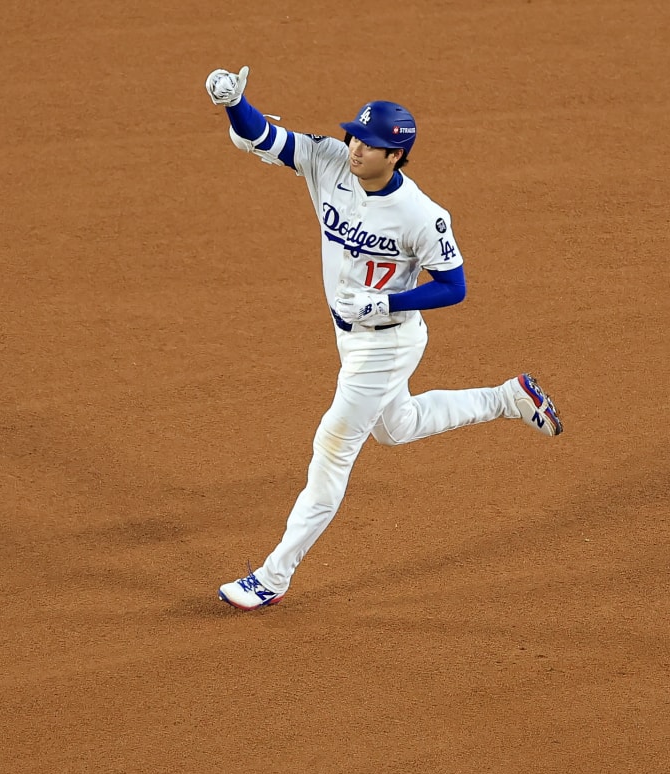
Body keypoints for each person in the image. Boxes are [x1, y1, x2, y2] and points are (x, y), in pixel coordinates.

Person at [203, 66, 564, 611]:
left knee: (332, 449)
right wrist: (235, 102)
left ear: (396, 156)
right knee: (397, 428)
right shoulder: (328, 162)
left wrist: (389, 301)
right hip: (349, 337)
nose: (355, 149)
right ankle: (507, 397)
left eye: (369, 145)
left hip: (387, 343)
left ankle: (274, 576)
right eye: (355, 136)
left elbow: (454, 287)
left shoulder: (422, 215)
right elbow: (263, 137)